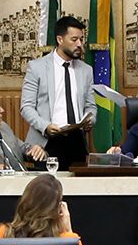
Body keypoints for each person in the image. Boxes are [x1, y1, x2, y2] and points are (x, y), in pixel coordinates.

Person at [20, 15, 95, 172]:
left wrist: (90, 119)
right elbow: (26, 107)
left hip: (77, 141)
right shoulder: (37, 67)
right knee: (47, 185)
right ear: (60, 39)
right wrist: (45, 126)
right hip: (47, 141)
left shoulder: (86, 70)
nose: (79, 44)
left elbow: (91, 106)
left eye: (81, 39)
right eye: (74, 39)